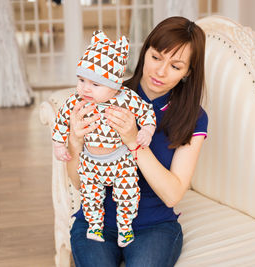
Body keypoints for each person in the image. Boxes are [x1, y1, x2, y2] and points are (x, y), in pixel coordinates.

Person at [67, 16, 208, 267]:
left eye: (175, 66)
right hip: (96, 220)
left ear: (188, 73)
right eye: (156, 57)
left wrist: (133, 141)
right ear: (145, 53)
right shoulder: (104, 96)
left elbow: (172, 194)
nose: (160, 72)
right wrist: (75, 143)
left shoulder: (193, 118)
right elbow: (79, 183)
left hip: (155, 227)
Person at [52, 30, 156, 247]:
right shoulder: (77, 101)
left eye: (95, 84)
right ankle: (95, 226)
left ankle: (125, 228)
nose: (85, 88)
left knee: (127, 194)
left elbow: (147, 114)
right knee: (91, 197)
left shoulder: (127, 98)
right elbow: (61, 121)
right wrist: (59, 143)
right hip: (90, 160)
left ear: (115, 85)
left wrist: (146, 131)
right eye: (81, 80)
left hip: (121, 160)